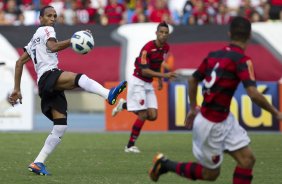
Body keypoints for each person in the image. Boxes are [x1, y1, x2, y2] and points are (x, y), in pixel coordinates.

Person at [149, 16, 282, 183]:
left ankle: (165, 164)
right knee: (211, 174)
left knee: (247, 160)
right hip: (210, 124)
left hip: (224, 119)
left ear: (229, 33)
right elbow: (253, 93)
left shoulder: (214, 55)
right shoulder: (242, 60)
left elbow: (192, 80)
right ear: (249, 35)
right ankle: (165, 164)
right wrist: (276, 113)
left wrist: (192, 108)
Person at [8, 5, 127, 176]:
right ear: (40, 18)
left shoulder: (35, 38)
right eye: (49, 15)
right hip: (49, 76)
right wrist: (74, 40)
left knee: (60, 126)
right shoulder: (47, 30)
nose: (52, 18)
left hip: (45, 85)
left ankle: (38, 162)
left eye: (55, 16)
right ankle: (108, 94)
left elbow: (19, 62)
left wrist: (17, 89)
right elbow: (53, 47)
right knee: (80, 78)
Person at [111, 21, 177, 153]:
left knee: (152, 115)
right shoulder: (147, 49)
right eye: (161, 32)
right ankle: (129, 146)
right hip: (138, 81)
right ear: (156, 33)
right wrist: (163, 75)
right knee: (143, 114)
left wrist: (158, 80)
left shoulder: (165, 48)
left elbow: (159, 63)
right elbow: (145, 71)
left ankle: (124, 105)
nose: (163, 35)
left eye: (166, 33)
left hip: (148, 83)